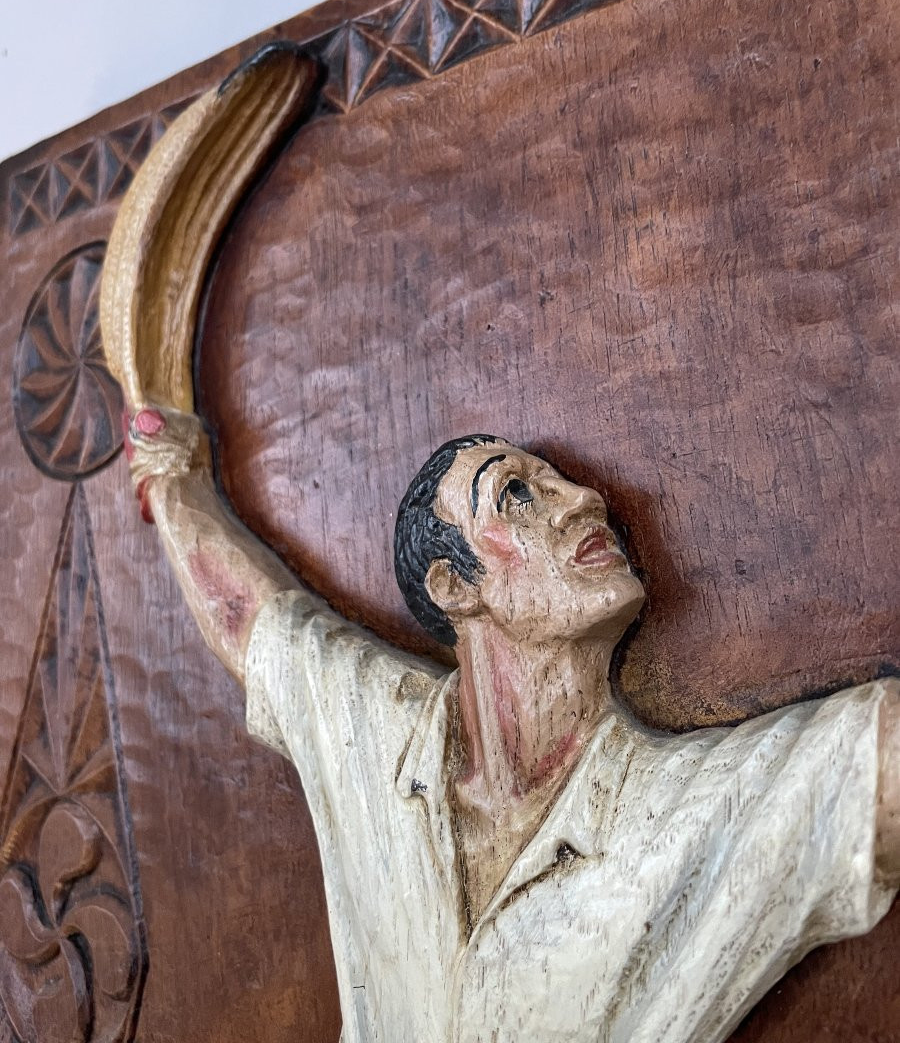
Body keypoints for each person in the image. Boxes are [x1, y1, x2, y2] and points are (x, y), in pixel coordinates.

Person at [126, 404, 899, 1043]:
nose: (584, 499)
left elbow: (874, 764)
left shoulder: (697, 810)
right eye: (519, 495)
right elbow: (252, 622)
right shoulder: (376, 736)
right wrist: (172, 478)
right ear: (452, 586)